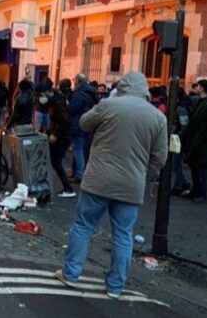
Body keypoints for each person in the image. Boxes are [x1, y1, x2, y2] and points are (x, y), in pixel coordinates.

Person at [55, 71, 167, 298]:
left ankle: (71, 274)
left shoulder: (109, 105)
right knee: (124, 235)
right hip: (131, 184)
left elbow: (85, 123)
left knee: (84, 226)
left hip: (99, 179)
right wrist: (144, 176)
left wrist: (106, 104)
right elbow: (160, 158)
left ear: (122, 87)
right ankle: (115, 287)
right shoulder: (157, 117)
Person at [182, 79, 207, 203]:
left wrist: (203, 137)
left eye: (198, 86)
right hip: (195, 141)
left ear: (202, 88)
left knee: (201, 170)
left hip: (203, 142)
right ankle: (195, 190)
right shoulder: (200, 102)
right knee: (194, 168)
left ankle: (202, 193)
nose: (196, 87)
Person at [46, 84, 76, 198]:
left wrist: (55, 134)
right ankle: (66, 187)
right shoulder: (57, 100)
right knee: (54, 161)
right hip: (62, 135)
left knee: (56, 162)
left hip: (62, 136)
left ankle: (68, 188)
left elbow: (63, 121)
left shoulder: (57, 103)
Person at [68, 74, 98, 181]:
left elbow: (72, 108)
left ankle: (79, 174)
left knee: (78, 149)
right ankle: (77, 171)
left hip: (78, 123)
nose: (73, 82)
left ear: (78, 81)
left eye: (74, 80)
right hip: (88, 123)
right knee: (83, 149)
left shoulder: (79, 94)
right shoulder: (92, 92)